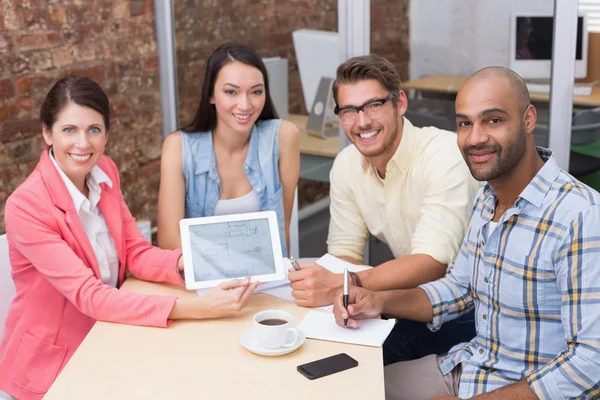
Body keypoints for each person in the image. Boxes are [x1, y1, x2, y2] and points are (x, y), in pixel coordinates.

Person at [333, 66, 600, 399]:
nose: (474, 138)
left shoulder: (581, 216)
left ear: (529, 119)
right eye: (465, 123)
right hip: (469, 369)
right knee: (345, 387)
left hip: (524, 390)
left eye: (493, 120)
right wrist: (380, 301)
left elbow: (591, 362)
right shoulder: (488, 198)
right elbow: (460, 288)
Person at [0, 77, 259, 400]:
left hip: (109, 338)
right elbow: (89, 295)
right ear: (47, 133)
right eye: (69, 130)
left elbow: (134, 250)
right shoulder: (27, 206)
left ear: (107, 133)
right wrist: (201, 307)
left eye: (94, 129)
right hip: (52, 369)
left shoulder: (104, 170)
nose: (83, 144)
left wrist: (196, 262)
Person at [288, 54, 480, 364]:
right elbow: (344, 256)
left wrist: (344, 284)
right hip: (407, 297)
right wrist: (342, 298)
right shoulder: (347, 165)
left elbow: (432, 263)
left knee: (358, 360)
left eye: (374, 105)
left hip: (468, 306)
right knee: (311, 344)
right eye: (349, 110)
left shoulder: (444, 156)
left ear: (400, 103)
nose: (362, 122)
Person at [158, 43, 299, 256]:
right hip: (206, 283)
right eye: (231, 92)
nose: (245, 104)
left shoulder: (283, 137)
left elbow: (281, 230)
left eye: (256, 92)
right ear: (211, 95)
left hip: (264, 280)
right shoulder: (178, 147)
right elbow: (169, 242)